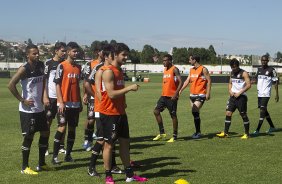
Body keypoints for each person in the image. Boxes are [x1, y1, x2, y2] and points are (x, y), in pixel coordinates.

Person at [99, 43, 148, 183]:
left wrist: (124, 101)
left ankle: (129, 174)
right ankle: (108, 176)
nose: (126, 57)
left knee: (125, 143)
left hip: (120, 113)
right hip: (109, 114)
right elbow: (111, 94)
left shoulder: (119, 70)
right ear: (115, 55)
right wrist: (129, 88)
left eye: (127, 54)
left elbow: (118, 91)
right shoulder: (108, 71)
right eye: (123, 55)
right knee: (109, 145)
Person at [8, 44, 54, 174]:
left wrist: (45, 96)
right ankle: (24, 167)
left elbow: (43, 82)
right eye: (34, 53)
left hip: (39, 108)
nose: (37, 55)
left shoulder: (41, 66)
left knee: (45, 132)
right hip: (28, 110)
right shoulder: (24, 69)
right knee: (29, 137)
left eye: (38, 53)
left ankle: (41, 164)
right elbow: (11, 84)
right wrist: (22, 100)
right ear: (27, 55)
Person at [85, 43, 123, 176]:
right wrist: (97, 98)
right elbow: (87, 83)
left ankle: (112, 165)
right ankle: (91, 167)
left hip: (111, 109)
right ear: (108, 56)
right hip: (102, 109)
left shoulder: (113, 68)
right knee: (102, 139)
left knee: (111, 138)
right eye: (113, 54)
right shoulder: (100, 68)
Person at [52, 42, 83, 164]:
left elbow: (77, 87)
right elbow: (57, 84)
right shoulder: (62, 66)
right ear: (69, 52)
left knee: (72, 130)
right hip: (64, 103)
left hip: (75, 103)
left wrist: (80, 101)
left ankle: (68, 155)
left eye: (77, 51)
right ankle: (55, 156)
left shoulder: (78, 67)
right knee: (61, 127)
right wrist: (60, 102)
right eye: (74, 51)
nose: (76, 53)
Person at [216, 58, 251, 139]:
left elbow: (248, 85)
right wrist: (230, 91)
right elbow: (230, 83)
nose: (233, 69)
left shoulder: (244, 73)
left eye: (235, 67)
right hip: (232, 97)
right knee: (228, 113)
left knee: (243, 114)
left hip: (241, 97)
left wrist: (239, 93)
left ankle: (247, 134)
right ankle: (225, 133)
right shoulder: (232, 73)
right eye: (232, 67)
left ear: (238, 66)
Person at [179, 55, 211, 139]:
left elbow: (209, 81)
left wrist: (208, 93)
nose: (189, 61)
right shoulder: (191, 70)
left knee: (194, 110)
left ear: (195, 60)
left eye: (190, 60)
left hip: (200, 94)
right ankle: (198, 132)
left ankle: (198, 132)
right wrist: (181, 90)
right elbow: (187, 81)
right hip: (192, 95)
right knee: (195, 113)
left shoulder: (203, 69)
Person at [43, 42, 67, 156]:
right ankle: (45, 146)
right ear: (56, 51)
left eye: (65, 50)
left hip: (62, 98)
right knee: (48, 122)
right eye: (62, 50)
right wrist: (45, 96)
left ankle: (61, 146)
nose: (64, 53)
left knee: (62, 122)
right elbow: (44, 80)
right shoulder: (48, 63)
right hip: (51, 98)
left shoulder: (65, 63)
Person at [153, 54, 183, 142]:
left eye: (165, 60)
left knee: (173, 115)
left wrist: (176, 94)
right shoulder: (165, 69)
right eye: (163, 60)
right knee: (156, 111)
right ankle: (162, 133)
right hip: (164, 96)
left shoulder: (175, 69)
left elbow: (181, 82)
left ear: (170, 61)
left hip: (172, 97)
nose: (163, 62)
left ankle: (174, 136)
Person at [82, 44, 104, 151]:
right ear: (97, 52)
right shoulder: (90, 64)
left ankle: (100, 139)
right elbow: (86, 81)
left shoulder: (107, 64)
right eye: (102, 50)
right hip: (93, 95)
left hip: (103, 98)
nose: (104, 53)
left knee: (100, 119)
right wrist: (85, 94)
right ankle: (88, 140)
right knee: (91, 119)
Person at [252, 55, 279, 135]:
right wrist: (251, 81)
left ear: (268, 61)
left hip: (266, 94)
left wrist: (277, 94)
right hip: (259, 94)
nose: (263, 62)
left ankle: (257, 130)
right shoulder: (259, 69)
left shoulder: (271, 70)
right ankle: (272, 127)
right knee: (264, 110)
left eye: (265, 60)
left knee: (262, 111)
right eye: (262, 60)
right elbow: (255, 79)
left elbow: (276, 82)